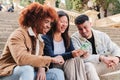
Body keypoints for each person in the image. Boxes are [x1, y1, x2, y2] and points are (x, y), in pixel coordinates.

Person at [0, 2, 65, 80]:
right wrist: (51, 59)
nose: (49, 26)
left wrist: (42, 67)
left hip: (29, 73)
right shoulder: (18, 34)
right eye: (46, 22)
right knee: (27, 69)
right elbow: (21, 59)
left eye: (50, 23)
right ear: (36, 20)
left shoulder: (40, 40)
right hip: (8, 73)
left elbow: (38, 59)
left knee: (57, 73)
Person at [71, 14, 120, 80]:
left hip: (104, 65)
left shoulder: (101, 35)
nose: (84, 31)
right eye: (80, 29)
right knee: (88, 66)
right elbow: (79, 58)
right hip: (87, 69)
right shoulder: (74, 39)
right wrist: (101, 58)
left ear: (90, 24)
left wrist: (117, 58)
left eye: (85, 27)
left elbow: (114, 48)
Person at [42, 11, 88, 80]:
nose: (65, 24)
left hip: (67, 66)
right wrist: (71, 54)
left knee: (77, 60)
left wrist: (80, 53)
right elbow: (50, 56)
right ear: (54, 22)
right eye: (62, 22)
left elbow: (72, 53)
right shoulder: (46, 38)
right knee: (72, 61)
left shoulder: (67, 38)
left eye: (66, 22)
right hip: (53, 66)